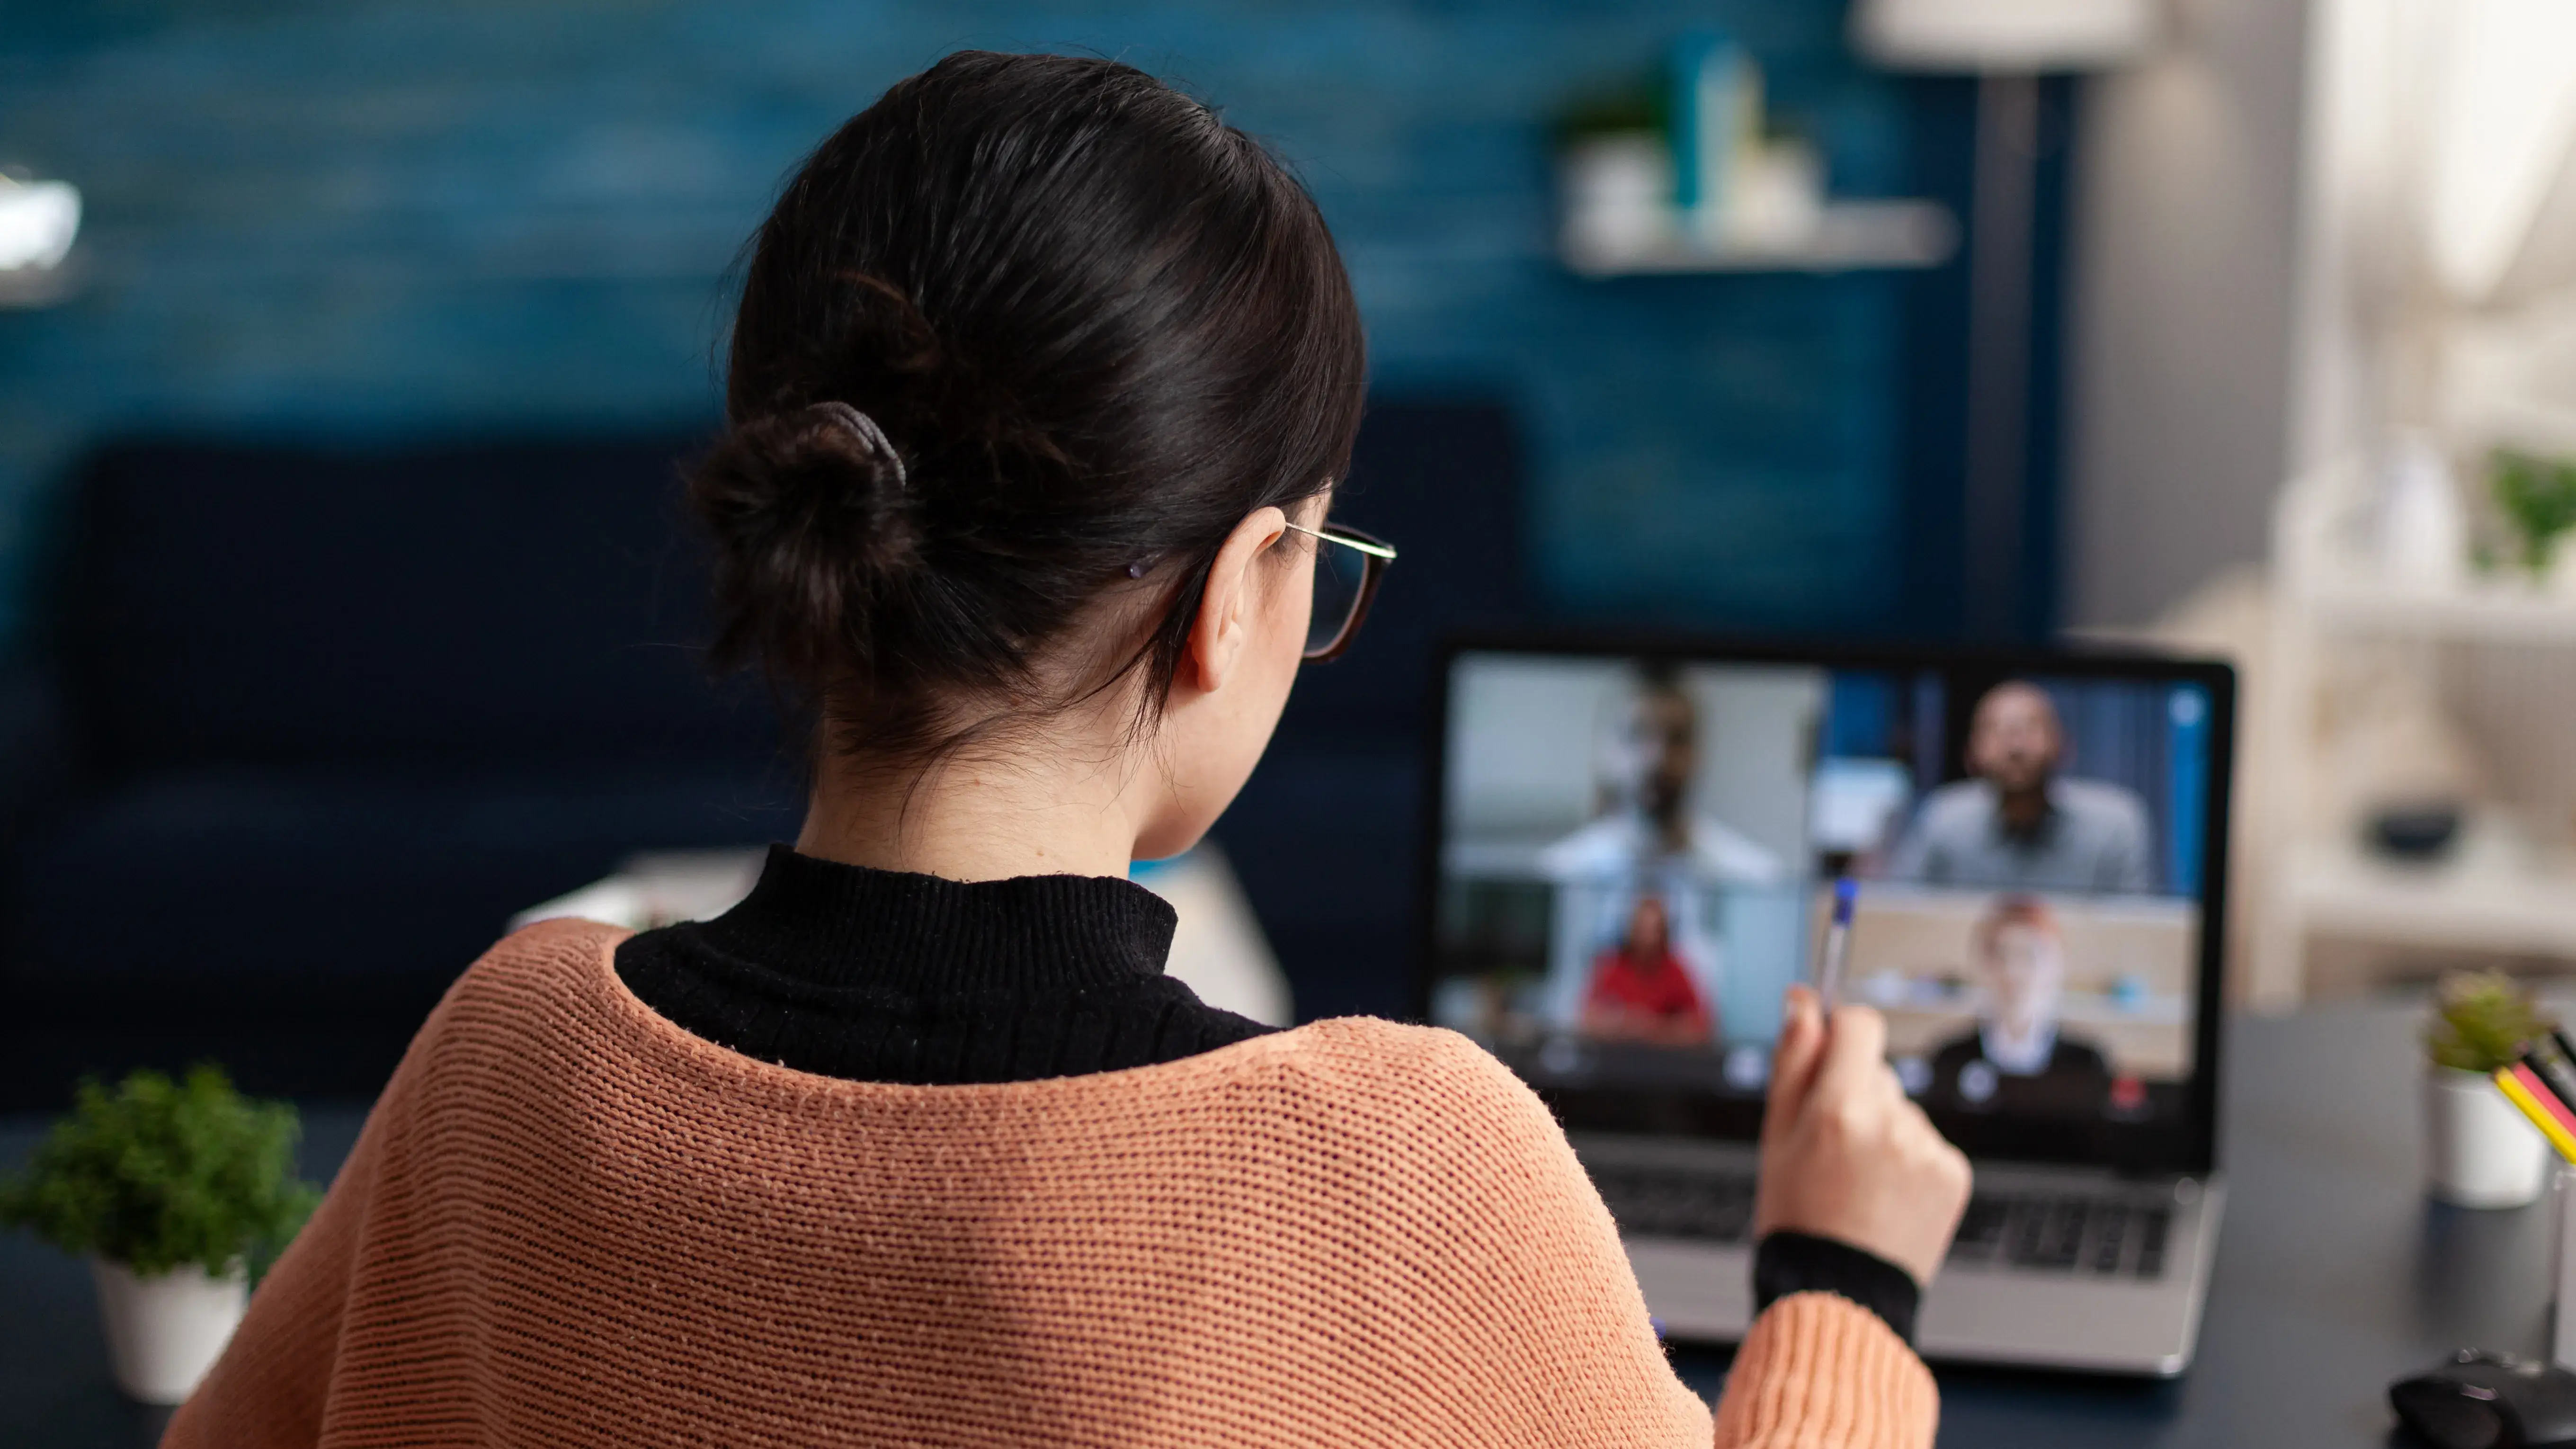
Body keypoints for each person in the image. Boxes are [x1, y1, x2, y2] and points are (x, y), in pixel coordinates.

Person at [168, 54, 1968, 1449]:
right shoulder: (1404, 1175)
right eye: (1316, 565)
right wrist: (1840, 1274)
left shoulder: (504, 1057)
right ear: (1235, 595)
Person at [1540, 672, 1783, 1026]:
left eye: (1676, 739)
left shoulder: (1756, 877)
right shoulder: (1559, 871)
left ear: (1699, 753)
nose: (1656, 758)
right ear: (1605, 750)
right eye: (1636, 735)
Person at [1887, 680, 2157, 894]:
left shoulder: (2116, 825)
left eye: (2031, 728)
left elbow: (2136, 941)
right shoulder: (1943, 819)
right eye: (1997, 731)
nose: (2016, 748)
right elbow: (1902, 917)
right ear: (1971, 754)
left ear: (2064, 747)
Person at [1925, 896, 2114, 1115]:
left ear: (2058, 964)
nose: (2013, 972)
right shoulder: (1950, 1057)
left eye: (2030, 956)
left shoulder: (2086, 1063)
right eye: (2001, 955)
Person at [1581, 894, 1715, 1047]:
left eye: (1654, 930)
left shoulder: (1676, 971)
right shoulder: (1612, 966)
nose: (1648, 938)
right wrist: (1623, 1023)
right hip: (1616, 1058)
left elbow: (1701, 1026)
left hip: (1662, 1062)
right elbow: (1587, 1018)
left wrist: (1656, 1027)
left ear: (1664, 932)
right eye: (1642, 929)